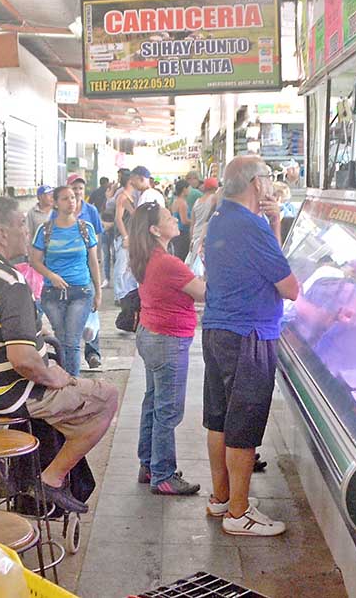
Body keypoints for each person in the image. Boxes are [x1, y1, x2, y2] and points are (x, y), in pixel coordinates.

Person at [0, 197, 119, 514]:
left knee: (59, 389)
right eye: (22, 224)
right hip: (6, 396)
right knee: (106, 397)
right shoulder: (10, 282)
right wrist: (55, 376)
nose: (27, 231)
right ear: (1, 234)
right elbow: (23, 360)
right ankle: (50, 479)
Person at [200, 156, 300, 537]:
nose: (272, 184)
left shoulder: (221, 218)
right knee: (244, 424)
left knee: (220, 418)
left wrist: (273, 222)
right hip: (249, 334)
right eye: (269, 178)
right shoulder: (249, 226)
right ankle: (239, 514)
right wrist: (270, 225)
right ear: (256, 184)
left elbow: (265, 265)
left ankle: (222, 498)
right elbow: (289, 287)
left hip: (218, 329)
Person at [128, 201, 205, 496]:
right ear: (154, 229)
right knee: (167, 410)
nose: (175, 219)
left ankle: (148, 465)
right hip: (167, 340)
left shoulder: (149, 256)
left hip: (151, 334)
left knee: (153, 403)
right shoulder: (167, 262)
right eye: (167, 218)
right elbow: (203, 293)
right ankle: (163, 475)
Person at [31, 185, 102, 375]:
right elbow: (35, 261)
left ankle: (73, 384)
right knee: (62, 340)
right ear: (55, 203)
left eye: (73, 197)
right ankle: (65, 384)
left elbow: (93, 262)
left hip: (81, 291)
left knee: (72, 340)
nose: (71, 201)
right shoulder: (45, 230)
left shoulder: (85, 229)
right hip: (52, 294)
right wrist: (51, 276)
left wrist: (98, 292)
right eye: (64, 198)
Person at [63, 175, 107, 366]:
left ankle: (92, 353)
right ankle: (69, 354)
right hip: (66, 268)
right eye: (75, 188)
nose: (78, 192)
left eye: (81, 188)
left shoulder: (91, 211)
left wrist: (97, 261)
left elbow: (97, 237)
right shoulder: (60, 213)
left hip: (88, 266)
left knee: (91, 307)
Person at [112, 166, 165, 299]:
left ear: (141, 178)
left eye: (134, 180)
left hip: (146, 241)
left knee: (132, 270)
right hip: (149, 240)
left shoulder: (147, 196)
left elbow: (142, 221)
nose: (133, 184)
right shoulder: (153, 194)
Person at [185, 176, 220, 267]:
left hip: (196, 235)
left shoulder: (197, 201)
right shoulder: (214, 198)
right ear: (215, 188)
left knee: (195, 266)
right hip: (206, 236)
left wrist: (191, 239)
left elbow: (193, 223)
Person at [170, 180, 192, 261]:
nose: (190, 191)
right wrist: (195, 221)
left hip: (177, 234)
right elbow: (184, 221)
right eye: (188, 188)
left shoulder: (175, 201)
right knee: (183, 257)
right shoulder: (182, 203)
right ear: (184, 189)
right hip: (183, 234)